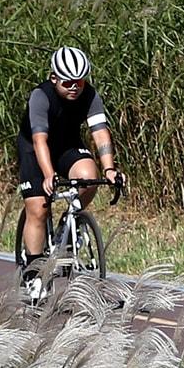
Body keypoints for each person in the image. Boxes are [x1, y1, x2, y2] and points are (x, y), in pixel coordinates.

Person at [17, 45, 125, 282]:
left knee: (89, 176)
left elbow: (100, 133)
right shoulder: (41, 96)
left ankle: (69, 222)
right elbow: (39, 140)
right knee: (39, 208)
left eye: (80, 81)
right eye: (68, 82)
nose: (75, 87)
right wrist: (48, 175)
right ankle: (33, 270)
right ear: (53, 77)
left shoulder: (89, 95)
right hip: (35, 148)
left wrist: (109, 169)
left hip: (67, 145)